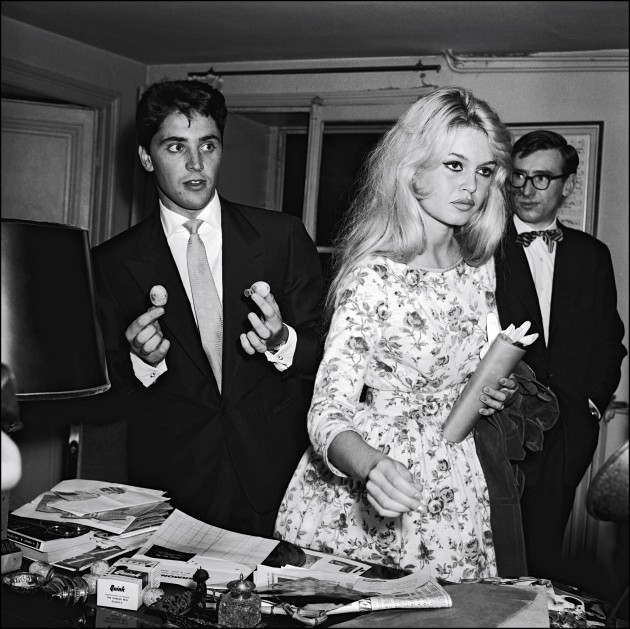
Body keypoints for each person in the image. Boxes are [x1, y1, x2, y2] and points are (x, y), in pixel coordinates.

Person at [274, 87, 524, 582]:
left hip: (457, 477)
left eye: (484, 170)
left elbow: (466, 367)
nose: (471, 186)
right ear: (412, 170)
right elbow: (326, 412)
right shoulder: (374, 275)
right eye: (454, 165)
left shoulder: (479, 266)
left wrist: (494, 386)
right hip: (377, 484)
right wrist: (370, 466)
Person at [91, 80, 324, 537]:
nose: (196, 164)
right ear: (146, 158)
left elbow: (329, 358)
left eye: (208, 145)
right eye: (176, 146)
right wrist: (140, 362)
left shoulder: (281, 237)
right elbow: (101, 397)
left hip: (278, 479)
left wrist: (283, 341)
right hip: (173, 487)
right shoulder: (110, 263)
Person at [495, 129, 627, 582]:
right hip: (499, 427)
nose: (526, 189)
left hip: (566, 433)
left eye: (542, 178)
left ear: (567, 185)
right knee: (490, 557)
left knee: (542, 560)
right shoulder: (483, 249)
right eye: (518, 176)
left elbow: (609, 340)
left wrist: (591, 403)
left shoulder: (593, 256)